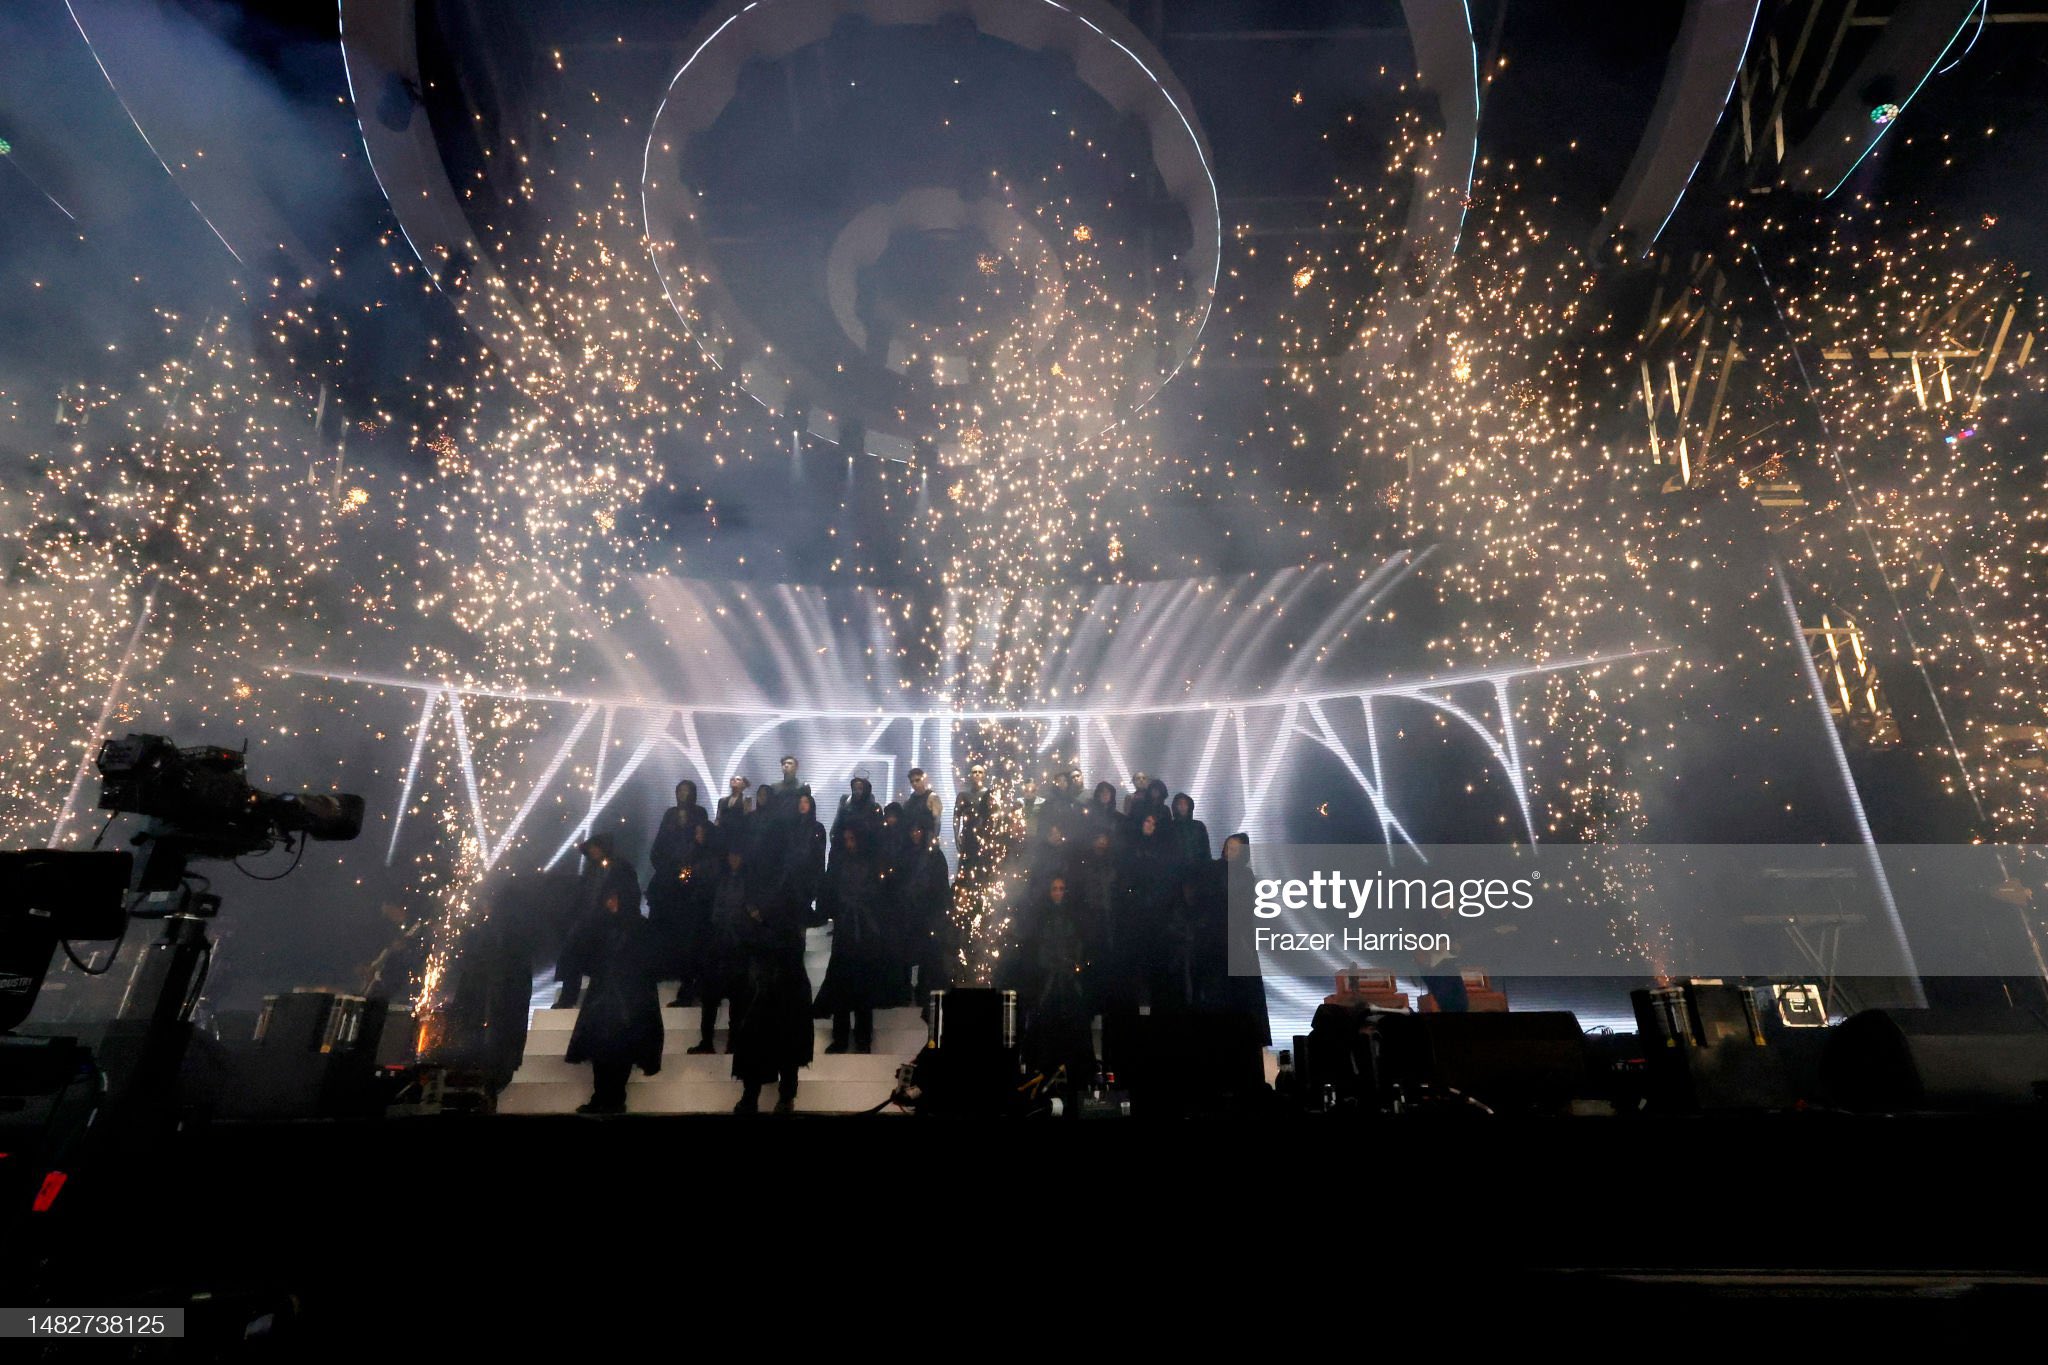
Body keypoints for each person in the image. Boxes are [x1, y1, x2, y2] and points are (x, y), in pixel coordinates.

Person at [729, 805, 821, 1114]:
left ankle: (770, 1093)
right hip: (771, 963)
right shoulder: (771, 874)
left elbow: (788, 915)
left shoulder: (777, 875)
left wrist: (761, 918)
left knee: (776, 1032)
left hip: (776, 964)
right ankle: (768, 1093)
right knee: (771, 1033)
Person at [562, 857, 662, 1115]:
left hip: (627, 1000)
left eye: (614, 898)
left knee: (620, 1050)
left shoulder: (639, 928)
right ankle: (603, 1096)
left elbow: (649, 964)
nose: (609, 903)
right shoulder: (605, 927)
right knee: (601, 1049)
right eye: (608, 898)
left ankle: (614, 1097)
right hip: (606, 998)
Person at [1017, 875, 1095, 1098]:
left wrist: (1071, 965)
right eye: (1055, 889)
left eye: (1062, 888)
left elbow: (1079, 946)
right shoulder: (1041, 919)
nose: (1058, 893)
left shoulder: (1074, 917)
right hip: (1048, 985)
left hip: (1068, 983)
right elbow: (1036, 951)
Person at [813, 823, 887, 1052]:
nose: (849, 844)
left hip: (862, 933)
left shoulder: (868, 865)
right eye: (846, 840)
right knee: (843, 988)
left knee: (860, 988)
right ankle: (845, 1038)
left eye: (852, 839)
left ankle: (861, 1039)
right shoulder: (842, 865)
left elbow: (877, 896)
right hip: (849, 932)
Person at [554, 833, 635, 1008]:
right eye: (590, 848)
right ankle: (568, 998)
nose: (593, 851)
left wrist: (617, 912)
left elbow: (628, 894)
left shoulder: (620, 868)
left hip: (609, 925)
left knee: (597, 964)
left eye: (595, 847)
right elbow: (581, 898)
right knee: (573, 956)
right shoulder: (590, 871)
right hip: (587, 924)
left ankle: (583, 999)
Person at [692, 842, 747, 1054]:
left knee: (734, 999)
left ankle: (729, 1041)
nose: (733, 859)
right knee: (713, 998)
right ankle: (709, 1041)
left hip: (734, 946)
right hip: (721, 945)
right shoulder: (723, 880)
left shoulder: (741, 881)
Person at [663, 818, 722, 1008]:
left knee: (704, 953)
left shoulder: (714, 855)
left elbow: (709, 878)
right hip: (693, 908)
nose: (699, 836)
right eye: (697, 832)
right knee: (692, 952)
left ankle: (701, 992)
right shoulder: (693, 853)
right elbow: (684, 875)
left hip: (707, 910)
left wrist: (690, 876)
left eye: (701, 832)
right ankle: (690, 992)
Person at [900, 815, 951, 1007]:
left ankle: (922, 990)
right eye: (913, 830)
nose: (915, 834)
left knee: (926, 953)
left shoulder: (934, 855)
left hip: (928, 911)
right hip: (910, 910)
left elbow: (941, 884)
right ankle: (907, 990)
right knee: (910, 952)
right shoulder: (908, 853)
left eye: (918, 830)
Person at [954, 762, 998, 881]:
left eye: (980, 772)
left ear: (984, 775)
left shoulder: (990, 794)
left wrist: (992, 834)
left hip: (984, 837)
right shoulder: (963, 795)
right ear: (970, 775)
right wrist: (956, 835)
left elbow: (996, 815)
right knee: (966, 870)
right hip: (968, 837)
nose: (977, 774)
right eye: (974, 772)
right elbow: (956, 816)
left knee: (983, 870)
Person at [829, 774, 881, 870]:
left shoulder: (873, 808)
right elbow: (835, 830)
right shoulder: (845, 806)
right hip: (845, 858)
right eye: (855, 788)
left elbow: (876, 835)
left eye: (860, 788)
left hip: (865, 859)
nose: (857, 791)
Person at [1168, 792, 1210, 873]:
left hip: (1197, 871)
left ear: (1189, 806)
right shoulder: (1169, 827)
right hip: (1175, 872)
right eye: (1179, 804)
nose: (1182, 806)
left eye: (1185, 804)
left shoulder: (1199, 826)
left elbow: (1206, 850)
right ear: (1175, 807)